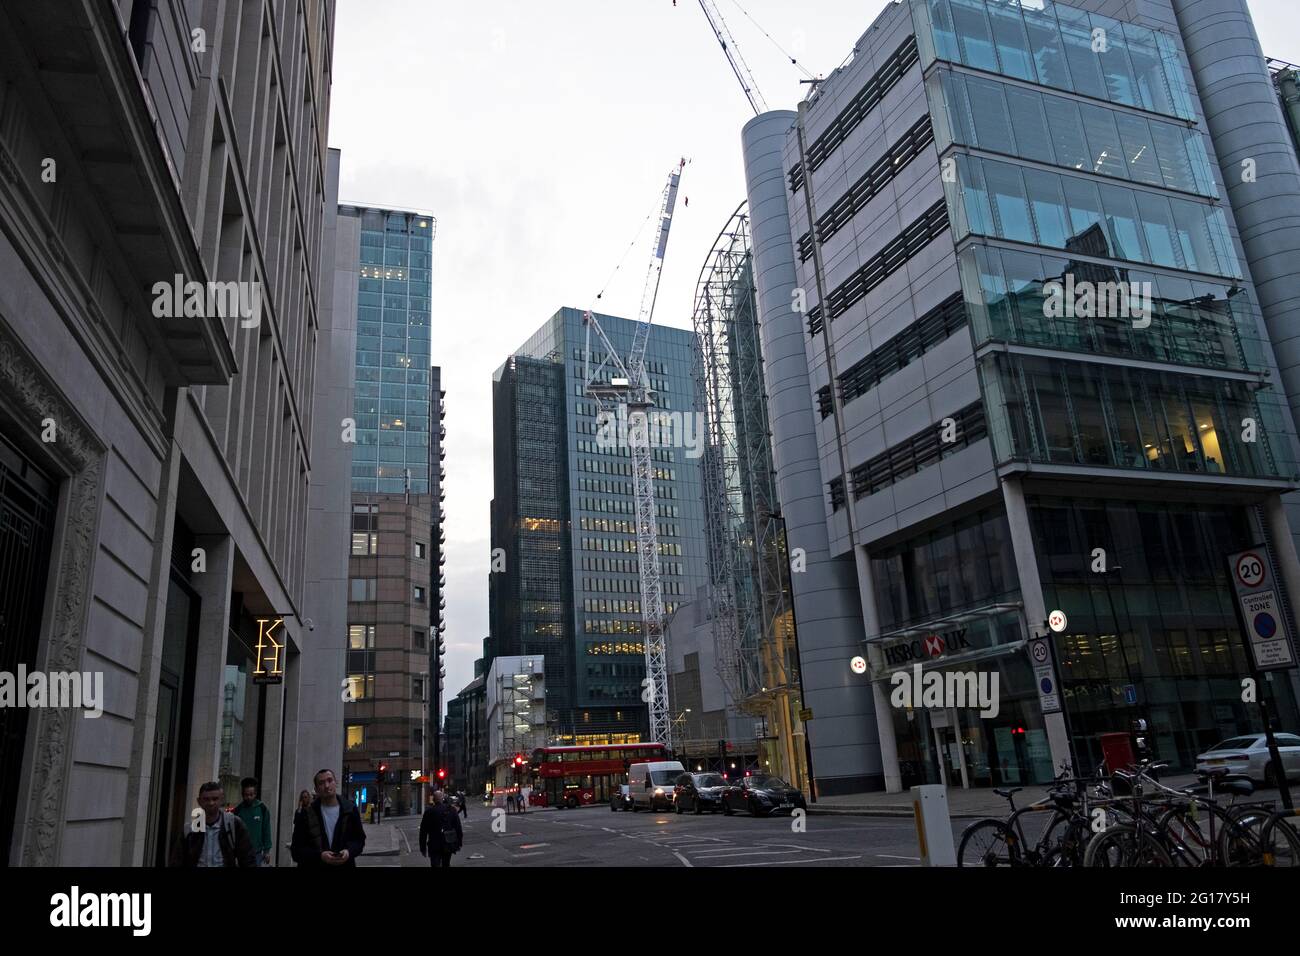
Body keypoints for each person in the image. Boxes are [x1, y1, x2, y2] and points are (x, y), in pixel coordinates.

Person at [290, 768, 366, 867]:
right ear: (316, 790)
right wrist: (320, 856)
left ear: (336, 783)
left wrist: (348, 852)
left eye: (330, 780)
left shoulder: (350, 810)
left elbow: (359, 841)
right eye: (321, 783)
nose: (326, 786)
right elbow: (296, 851)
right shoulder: (306, 814)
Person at [171, 781, 256, 867]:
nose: (211, 803)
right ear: (199, 801)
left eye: (215, 799)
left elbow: (248, 859)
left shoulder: (234, 824)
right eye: (206, 799)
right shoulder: (189, 830)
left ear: (221, 800)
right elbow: (177, 861)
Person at [234, 776, 273, 867]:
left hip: (257, 852)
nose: (248, 797)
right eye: (246, 795)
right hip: (241, 852)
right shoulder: (238, 810)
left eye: (251, 795)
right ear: (242, 794)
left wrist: (267, 851)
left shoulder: (262, 809)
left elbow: (266, 830)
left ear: (255, 794)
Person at [419, 790, 462, 867]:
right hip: (448, 843)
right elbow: (458, 827)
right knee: (446, 863)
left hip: (434, 844)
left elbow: (423, 831)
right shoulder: (451, 810)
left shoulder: (429, 812)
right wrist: (459, 843)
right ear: (442, 798)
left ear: (434, 800)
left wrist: (423, 848)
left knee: (435, 864)